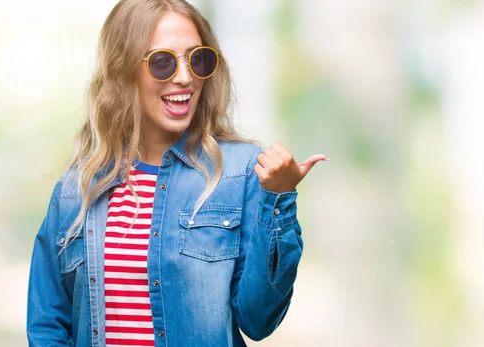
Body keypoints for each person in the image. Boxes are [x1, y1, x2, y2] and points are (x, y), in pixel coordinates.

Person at [26, 0, 327, 346]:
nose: (185, 77)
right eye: (162, 62)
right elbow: (48, 324)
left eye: (197, 59)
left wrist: (278, 199)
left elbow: (258, 320)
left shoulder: (242, 173)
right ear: (124, 70)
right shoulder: (76, 189)